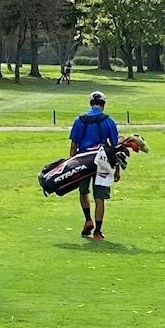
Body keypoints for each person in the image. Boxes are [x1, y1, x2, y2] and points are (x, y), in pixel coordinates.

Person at [69, 89, 120, 239]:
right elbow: (116, 147)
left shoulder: (79, 120)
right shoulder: (109, 121)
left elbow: (73, 145)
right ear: (103, 105)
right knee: (100, 197)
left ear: (91, 104)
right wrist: (117, 169)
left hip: (83, 161)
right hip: (103, 163)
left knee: (83, 192)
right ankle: (97, 231)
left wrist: (71, 165)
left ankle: (88, 220)